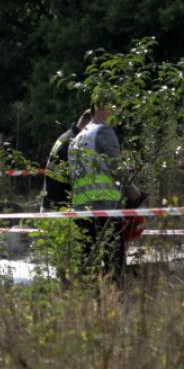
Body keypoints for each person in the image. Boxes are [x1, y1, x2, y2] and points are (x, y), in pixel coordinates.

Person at [68, 101, 139, 281]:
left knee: (86, 258)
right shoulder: (104, 132)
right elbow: (117, 168)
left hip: (81, 207)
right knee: (113, 257)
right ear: (101, 109)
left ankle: (87, 299)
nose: (116, 116)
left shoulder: (78, 137)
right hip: (105, 205)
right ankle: (115, 299)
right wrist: (133, 192)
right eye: (113, 110)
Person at [41, 109, 92, 211]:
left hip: (51, 205)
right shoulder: (74, 143)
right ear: (88, 125)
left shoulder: (66, 137)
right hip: (60, 211)